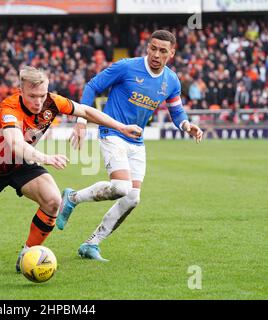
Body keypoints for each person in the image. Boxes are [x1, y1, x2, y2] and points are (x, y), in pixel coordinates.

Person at [0, 66, 142, 271]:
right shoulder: (10, 108)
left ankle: (27, 255)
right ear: (21, 91)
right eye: (32, 96)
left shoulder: (53, 102)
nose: (39, 102)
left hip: (22, 165)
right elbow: (15, 144)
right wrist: (45, 157)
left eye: (42, 95)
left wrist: (121, 127)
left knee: (53, 200)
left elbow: (85, 111)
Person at [57, 30, 204, 261]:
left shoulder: (171, 80)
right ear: (148, 47)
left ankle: (91, 243)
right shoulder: (126, 67)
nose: (156, 54)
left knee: (132, 198)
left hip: (136, 140)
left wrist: (187, 125)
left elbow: (176, 110)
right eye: (153, 48)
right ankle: (72, 199)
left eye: (163, 51)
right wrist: (82, 120)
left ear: (172, 53)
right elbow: (92, 86)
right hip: (112, 132)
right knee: (122, 187)